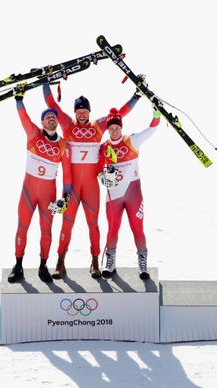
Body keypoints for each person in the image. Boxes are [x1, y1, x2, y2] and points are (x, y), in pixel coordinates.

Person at [42, 83, 140, 279]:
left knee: (93, 224)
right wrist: (45, 82)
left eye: (85, 111)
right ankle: (60, 261)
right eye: (79, 111)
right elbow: (52, 104)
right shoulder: (68, 125)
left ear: (89, 112)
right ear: (75, 112)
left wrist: (136, 96)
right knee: (66, 224)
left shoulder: (98, 126)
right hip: (71, 187)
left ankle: (95, 261)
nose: (82, 114)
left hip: (91, 187)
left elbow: (119, 114)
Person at [8, 88, 71, 284]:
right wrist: (19, 99)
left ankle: (43, 265)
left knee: (46, 230)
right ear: (42, 122)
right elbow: (24, 117)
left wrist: (65, 198)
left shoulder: (63, 145)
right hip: (28, 191)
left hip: (48, 194)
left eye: (54, 117)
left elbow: (67, 175)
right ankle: (18, 265)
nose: (51, 119)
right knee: (22, 227)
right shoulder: (34, 134)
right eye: (47, 117)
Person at [97, 106, 161, 280]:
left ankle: (142, 263)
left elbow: (152, 128)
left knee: (137, 228)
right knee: (112, 228)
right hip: (113, 196)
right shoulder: (103, 147)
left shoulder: (132, 140)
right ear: (107, 129)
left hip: (134, 194)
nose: (114, 131)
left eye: (117, 127)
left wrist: (156, 113)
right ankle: (110, 262)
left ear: (121, 127)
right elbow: (97, 168)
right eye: (111, 128)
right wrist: (103, 176)